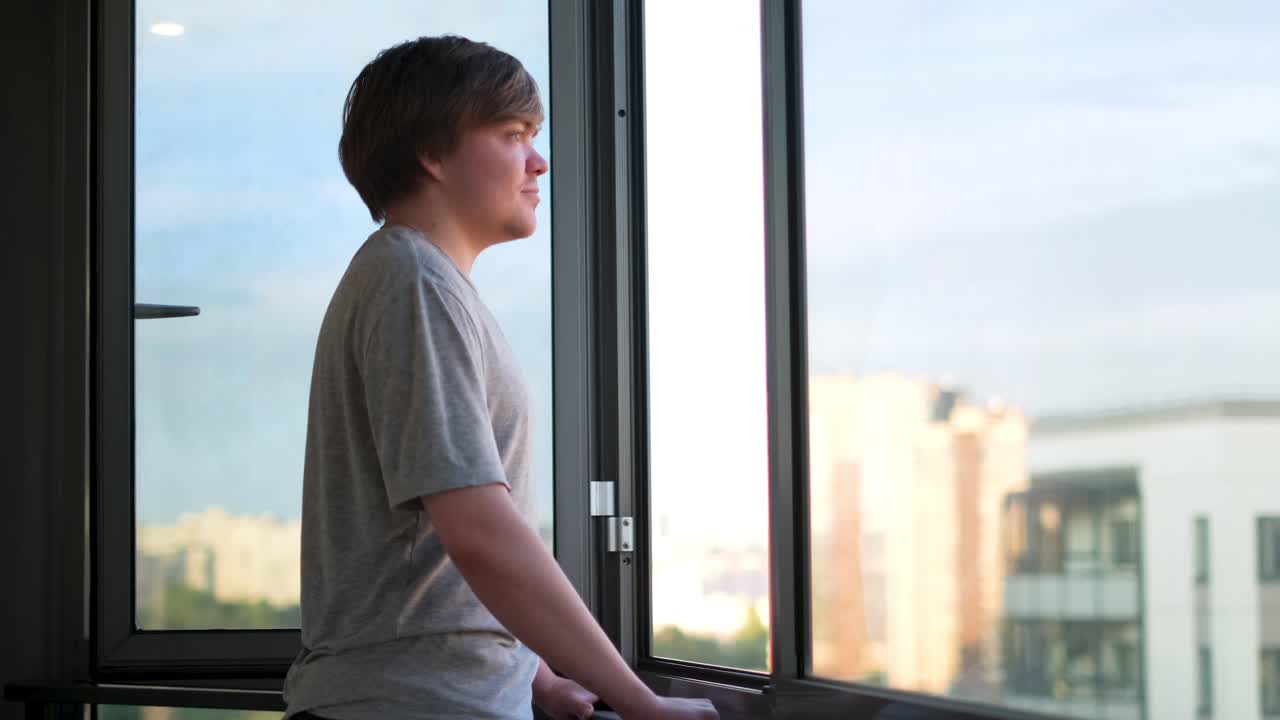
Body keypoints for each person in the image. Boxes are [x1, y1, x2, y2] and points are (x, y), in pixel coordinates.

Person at [281, 35, 719, 720]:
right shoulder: (413, 281)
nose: (539, 161)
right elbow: (478, 530)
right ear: (433, 152)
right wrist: (640, 702)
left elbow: (430, 552)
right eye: (514, 134)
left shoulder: (420, 281)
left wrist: (534, 675)